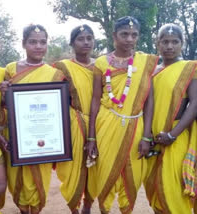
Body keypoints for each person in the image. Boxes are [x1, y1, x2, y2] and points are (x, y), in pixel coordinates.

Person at [84, 16, 158, 213]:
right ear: (114, 36)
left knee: (133, 174)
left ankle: (127, 209)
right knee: (105, 172)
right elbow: (95, 100)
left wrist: (146, 135)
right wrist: (91, 137)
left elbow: (149, 102)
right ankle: (104, 209)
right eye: (124, 34)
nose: (129, 39)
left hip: (136, 125)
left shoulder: (145, 62)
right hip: (106, 123)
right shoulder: (101, 63)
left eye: (134, 35)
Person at [0, 24, 65, 214]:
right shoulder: (11, 69)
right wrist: (4, 93)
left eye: (42, 42)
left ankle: (36, 210)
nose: (38, 46)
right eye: (33, 42)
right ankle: (22, 210)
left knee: (39, 181)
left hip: (42, 136)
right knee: (17, 178)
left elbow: (58, 106)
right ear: (23, 44)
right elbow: (4, 104)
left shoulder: (55, 74)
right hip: (18, 134)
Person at [144, 23, 197, 213]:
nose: (169, 46)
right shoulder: (150, 71)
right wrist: (146, 134)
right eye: (165, 41)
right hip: (153, 139)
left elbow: (195, 104)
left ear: (182, 44)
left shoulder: (189, 69)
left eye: (175, 42)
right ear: (157, 43)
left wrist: (172, 135)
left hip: (175, 137)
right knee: (155, 192)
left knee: (173, 190)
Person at [53, 24, 95, 213]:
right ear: (72, 43)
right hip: (73, 123)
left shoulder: (102, 66)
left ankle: (88, 205)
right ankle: (74, 208)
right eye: (80, 39)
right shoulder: (63, 68)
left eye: (89, 38)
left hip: (98, 123)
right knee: (72, 168)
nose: (85, 42)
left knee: (95, 168)